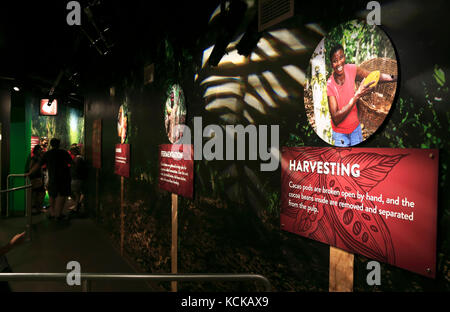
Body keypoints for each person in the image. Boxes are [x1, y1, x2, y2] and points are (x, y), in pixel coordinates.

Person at [326, 44, 396, 146]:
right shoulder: (330, 85)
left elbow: (373, 76)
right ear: (331, 64)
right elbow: (336, 119)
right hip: (340, 134)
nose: (339, 63)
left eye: (341, 57)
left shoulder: (351, 69)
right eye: (335, 61)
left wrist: (394, 77)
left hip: (356, 129)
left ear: (344, 57)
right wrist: (357, 95)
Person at [28, 138, 73, 221]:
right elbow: (71, 163)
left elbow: (38, 164)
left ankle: (52, 213)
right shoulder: (64, 152)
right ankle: (58, 214)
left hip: (53, 177)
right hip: (64, 177)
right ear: (59, 144)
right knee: (62, 195)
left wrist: (29, 173)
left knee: (52, 195)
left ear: (51, 144)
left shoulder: (48, 154)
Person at [68, 145, 87, 215]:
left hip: (77, 178)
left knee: (76, 193)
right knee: (77, 193)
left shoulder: (78, 158)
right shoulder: (79, 158)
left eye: (72, 151)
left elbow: (76, 169)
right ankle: (77, 205)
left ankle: (77, 206)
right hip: (77, 178)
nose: (71, 153)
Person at [29, 145, 45, 215]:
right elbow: (31, 166)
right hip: (35, 177)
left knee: (37, 192)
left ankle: (36, 208)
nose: (41, 150)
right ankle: (36, 208)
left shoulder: (37, 157)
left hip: (37, 177)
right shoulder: (35, 158)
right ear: (36, 150)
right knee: (38, 192)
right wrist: (31, 172)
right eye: (40, 149)